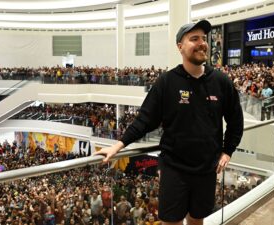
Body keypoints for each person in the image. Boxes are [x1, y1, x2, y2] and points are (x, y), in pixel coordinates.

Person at [94, 19, 243, 225]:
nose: (201, 43)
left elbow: (236, 120)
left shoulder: (221, 81)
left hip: (207, 169)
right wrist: (118, 145)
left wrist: (228, 151)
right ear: (180, 47)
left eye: (204, 38)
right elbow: (145, 120)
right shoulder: (167, 82)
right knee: (171, 222)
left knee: (197, 219)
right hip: (175, 169)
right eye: (194, 39)